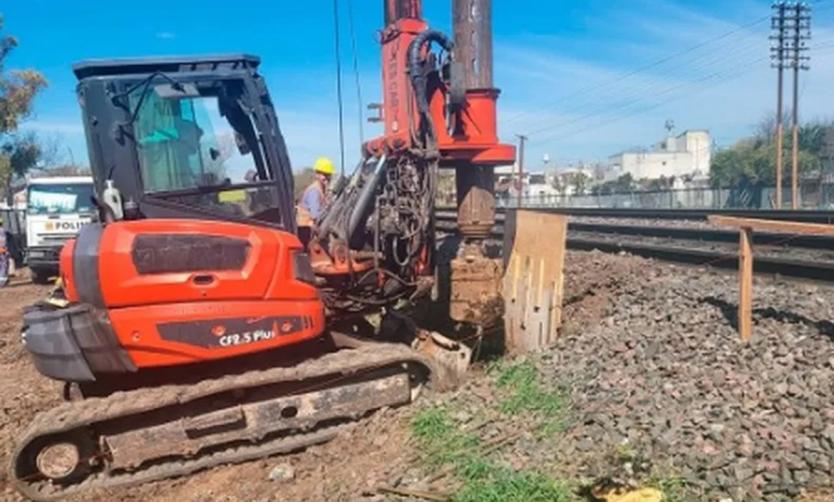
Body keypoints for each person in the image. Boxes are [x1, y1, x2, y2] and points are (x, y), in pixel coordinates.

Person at [297, 157, 335, 244]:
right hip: (305, 231)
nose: (327, 177)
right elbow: (315, 215)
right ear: (317, 174)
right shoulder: (314, 191)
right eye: (324, 175)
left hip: (311, 229)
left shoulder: (322, 190)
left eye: (328, 175)